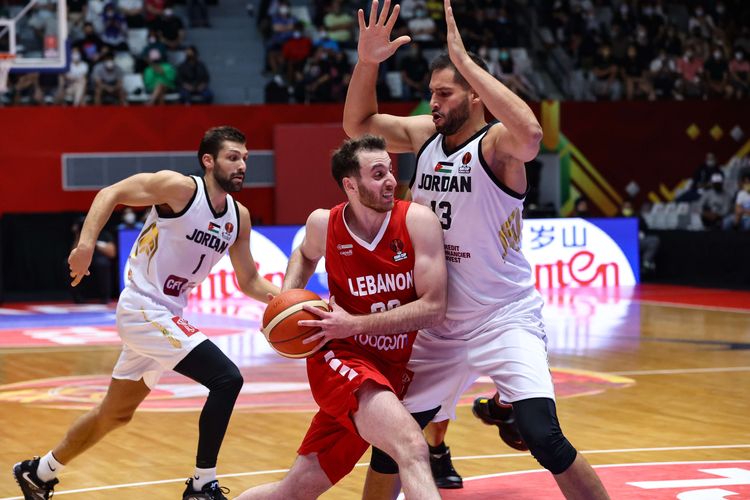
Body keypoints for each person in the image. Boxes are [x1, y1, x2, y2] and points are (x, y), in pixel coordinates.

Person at [343, 0, 610, 497]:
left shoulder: (497, 146)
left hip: (502, 316)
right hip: (437, 323)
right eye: (431, 94)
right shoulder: (425, 136)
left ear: (475, 95)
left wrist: (466, 63)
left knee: (543, 437)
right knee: (392, 443)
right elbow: (358, 126)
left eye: (444, 93)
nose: (434, 103)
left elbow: (532, 133)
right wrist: (367, 62)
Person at [13, 126, 280, 500]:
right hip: (144, 306)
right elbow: (112, 193)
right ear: (209, 161)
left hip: (167, 313)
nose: (241, 165)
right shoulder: (180, 189)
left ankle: (38, 473)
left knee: (115, 414)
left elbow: (249, 280)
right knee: (226, 379)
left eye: (245, 159)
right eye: (233, 157)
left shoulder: (240, 217)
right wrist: (86, 244)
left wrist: (290, 300)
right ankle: (202, 486)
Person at [235, 135, 447, 500]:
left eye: (391, 171)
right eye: (377, 173)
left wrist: (356, 322)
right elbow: (303, 254)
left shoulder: (416, 220)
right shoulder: (324, 223)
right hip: (340, 358)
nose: (391, 181)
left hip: (389, 367)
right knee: (411, 446)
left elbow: (434, 308)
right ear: (350, 184)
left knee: (296, 490)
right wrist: (286, 300)